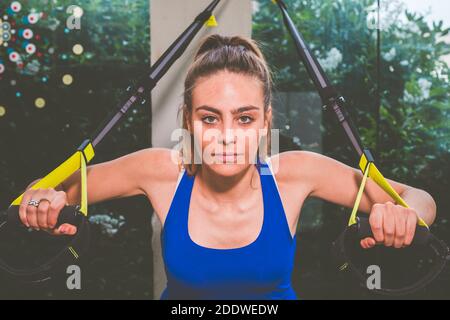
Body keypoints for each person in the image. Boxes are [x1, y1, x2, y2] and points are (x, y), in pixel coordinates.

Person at [17, 34, 437, 299]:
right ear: (188, 121)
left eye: (246, 118)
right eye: (210, 118)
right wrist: (41, 202)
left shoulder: (295, 173)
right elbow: (48, 189)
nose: (228, 136)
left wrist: (402, 216)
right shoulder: (162, 171)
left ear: (267, 121)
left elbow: (422, 200)